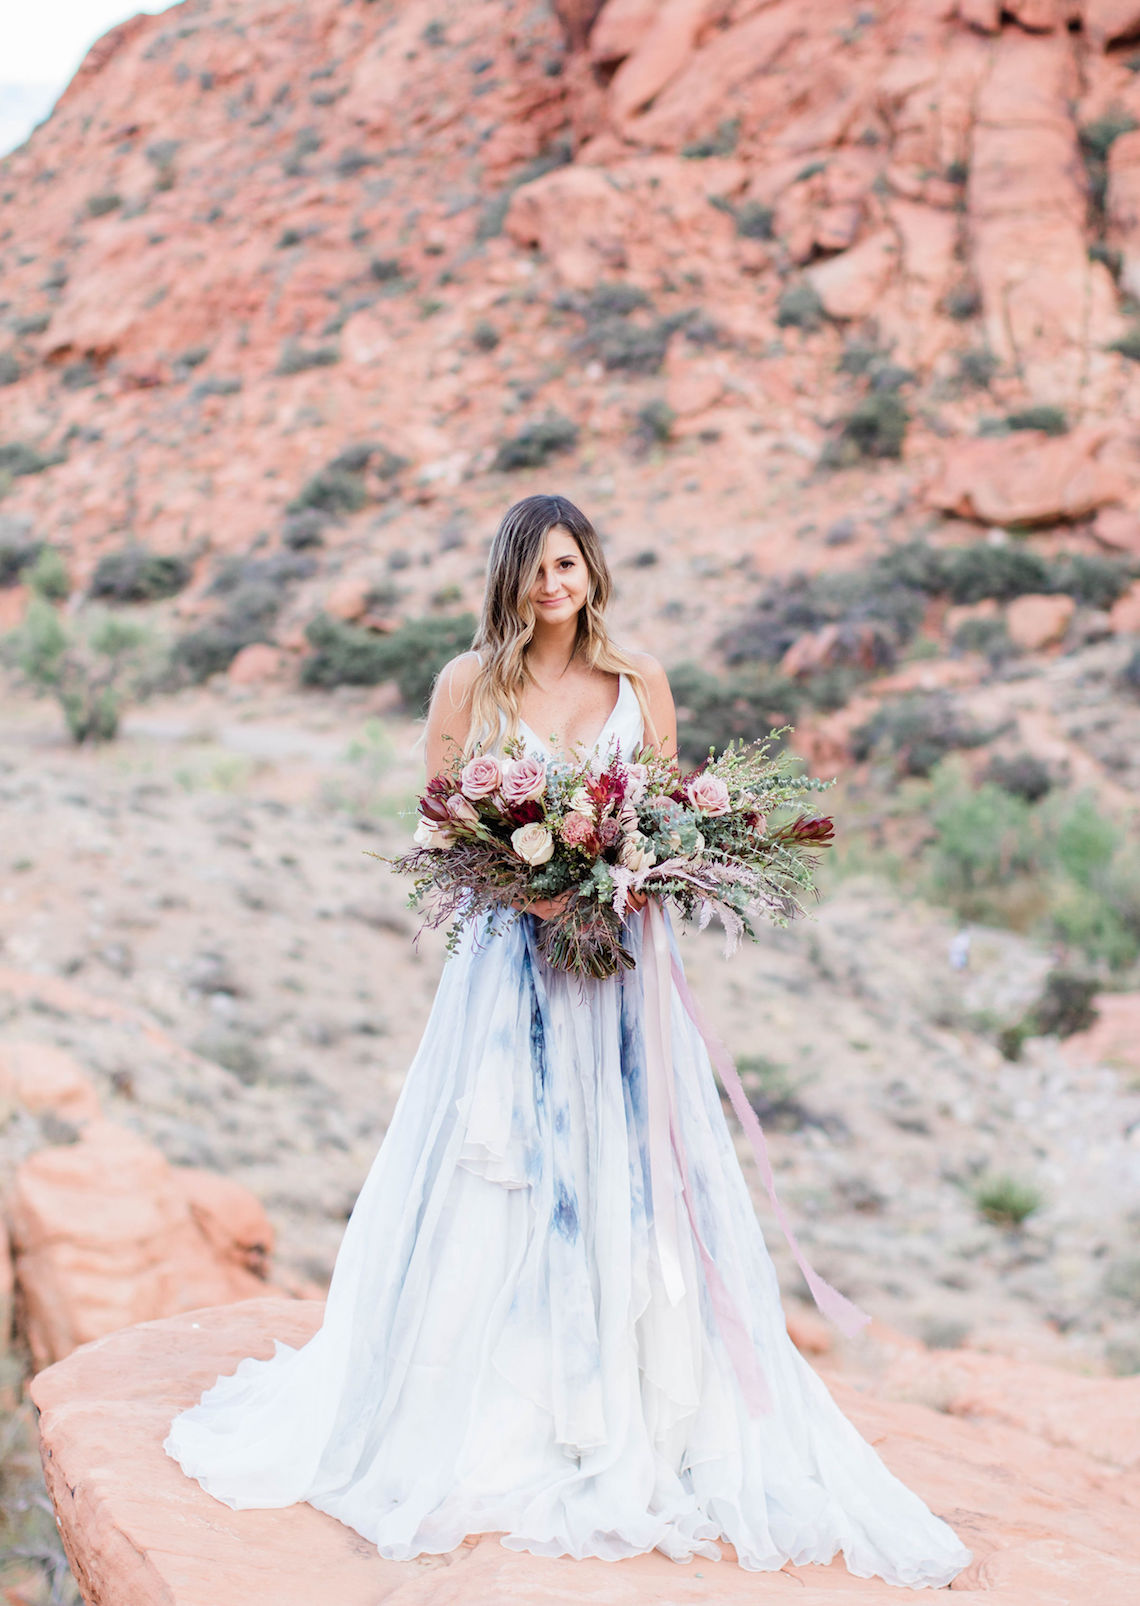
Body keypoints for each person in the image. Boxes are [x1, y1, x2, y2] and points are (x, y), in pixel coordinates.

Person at [164, 494, 971, 1587]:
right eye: (536, 569)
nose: (556, 585)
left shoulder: (641, 679)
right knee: (507, 1167)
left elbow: (673, 815)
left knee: (627, 1169)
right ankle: (501, 1404)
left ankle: (627, 1399)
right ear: (511, 579)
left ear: (592, 566)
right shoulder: (470, 683)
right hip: (508, 972)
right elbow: (439, 820)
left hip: (624, 973)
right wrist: (530, 888)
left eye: (570, 563)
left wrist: (629, 879)